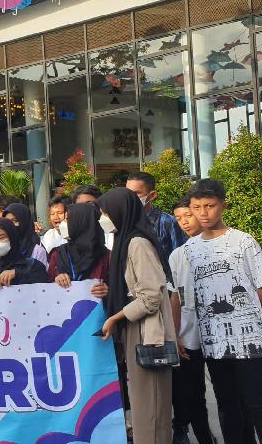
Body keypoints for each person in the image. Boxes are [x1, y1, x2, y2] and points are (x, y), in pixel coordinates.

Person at [184, 179, 262, 444]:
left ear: (223, 206)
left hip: (252, 341)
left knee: (256, 402)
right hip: (214, 344)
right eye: (197, 207)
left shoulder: (243, 242)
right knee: (227, 406)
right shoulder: (189, 249)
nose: (203, 213)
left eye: (209, 206)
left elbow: (261, 287)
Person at [98, 187, 176, 444]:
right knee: (146, 406)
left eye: (106, 213)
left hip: (146, 331)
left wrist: (115, 317)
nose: (103, 218)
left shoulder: (137, 243)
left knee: (149, 408)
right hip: (135, 326)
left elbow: (151, 297)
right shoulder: (126, 241)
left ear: (121, 212)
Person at [169, 195, 216, 444]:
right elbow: (175, 296)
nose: (185, 222)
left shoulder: (225, 246)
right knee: (194, 394)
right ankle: (204, 437)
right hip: (189, 335)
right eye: (179, 218)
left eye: (188, 215)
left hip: (221, 334)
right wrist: (175, 333)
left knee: (231, 393)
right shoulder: (178, 254)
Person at [48, 203, 109, 300]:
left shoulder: (107, 256)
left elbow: (119, 287)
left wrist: (108, 290)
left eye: (67, 219)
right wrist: (56, 280)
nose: (63, 223)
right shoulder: (58, 254)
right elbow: (46, 289)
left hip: (97, 308)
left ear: (81, 223)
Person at [126, 172, 186, 259]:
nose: (130, 197)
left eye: (136, 193)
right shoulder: (122, 221)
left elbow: (180, 257)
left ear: (152, 195)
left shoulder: (167, 222)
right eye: (128, 193)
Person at [3, 203, 48, 269]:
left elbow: (41, 273)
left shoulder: (37, 251)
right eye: (7, 221)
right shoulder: (2, 247)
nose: (11, 225)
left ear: (24, 221)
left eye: (15, 220)